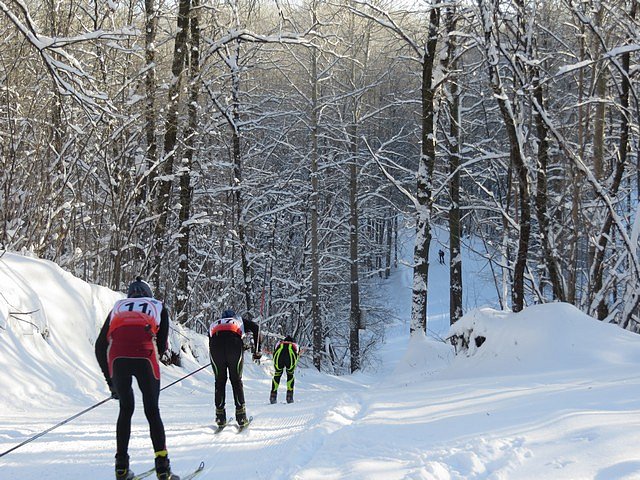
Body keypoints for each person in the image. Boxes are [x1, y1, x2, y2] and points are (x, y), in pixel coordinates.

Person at [95, 277, 178, 480]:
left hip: (117, 356)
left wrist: (111, 382)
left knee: (126, 409)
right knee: (152, 410)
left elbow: (99, 346)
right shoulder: (157, 305)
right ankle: (163, 468)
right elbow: (163, 345)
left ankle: (121, 467)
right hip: (145, 354)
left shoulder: (118, 306)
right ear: (148, 294)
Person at [208, 309, 260, 428]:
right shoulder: (238, 321)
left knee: (220, 381)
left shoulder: (215, 323)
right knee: (236, 380)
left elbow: (211, 339)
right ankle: (241, 416)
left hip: (216, 346)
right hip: (234, 344)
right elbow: (256, 328)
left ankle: (220, 417)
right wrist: (257, 350)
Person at [270, 335, 300, 404]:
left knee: (277, 374)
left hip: (279, 355)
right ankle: (289, 396)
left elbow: (275, 351)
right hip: (290, 356)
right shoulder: (295, 345)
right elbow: (297, 355)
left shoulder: (279, 343)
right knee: (290, 374)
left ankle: (273, 396)